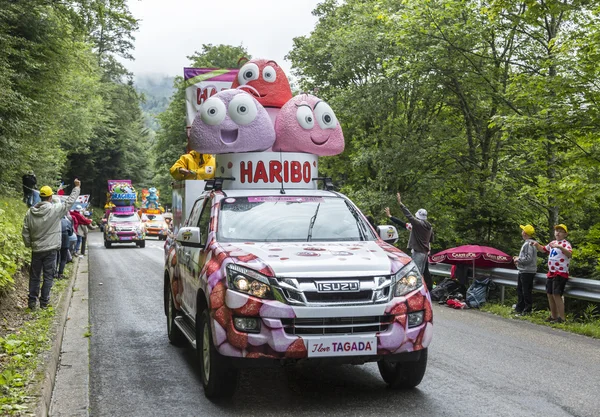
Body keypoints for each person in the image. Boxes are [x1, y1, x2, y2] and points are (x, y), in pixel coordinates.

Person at [22, 180, 80, 309]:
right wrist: (76, 188)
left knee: (35, 276)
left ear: (40, 197)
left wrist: (28, 244)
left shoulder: (30, 213)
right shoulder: (55, 210)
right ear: (50, 197)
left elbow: (25, 231)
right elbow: (69, 202)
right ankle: (44, 302)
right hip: (51, 250)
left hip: (36, 250)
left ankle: (32, 302)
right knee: (48, 276)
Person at [385, 193, 434, 288]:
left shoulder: (417, 224)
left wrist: (400, 203)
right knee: (423, 272)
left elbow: (409, 216)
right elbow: (431, 239)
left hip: (418, 252)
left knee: (415, 273)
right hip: (425, 253)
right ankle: (428, 289)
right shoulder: (429, 227)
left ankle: (415, 291)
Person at [532, 224, 572, 323]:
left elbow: (569, 254)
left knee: (556, 294)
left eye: (560, 231)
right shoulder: (552, 243)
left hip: (560, 273)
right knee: (549, 294)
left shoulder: (565, 244)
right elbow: (543, 249)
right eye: (556, 231)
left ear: (565, 234)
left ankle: (562, 318)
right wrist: (537, 245)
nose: (557, 232)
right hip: (551, 272)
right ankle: (553, 316)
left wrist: (560, 247)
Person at [513, 224, 538, 315]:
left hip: (527, 271)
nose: (522, 232)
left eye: (523, 230)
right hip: (525, 270)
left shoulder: (528, 244)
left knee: (525, 291)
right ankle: (519, 308)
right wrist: (519, 259)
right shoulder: (531, 243)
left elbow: (528, 258)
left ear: (525, 233)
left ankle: (526, 310)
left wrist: (518, 260)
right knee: (521, 290)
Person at [56, 214, 74, 280]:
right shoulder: (67, 221)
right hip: (65, 240)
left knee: (56, 257)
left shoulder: (55, 221)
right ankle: (60, 273)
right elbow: (71, 233)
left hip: (56, 240)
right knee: (63, 258)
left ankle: (54, 272)